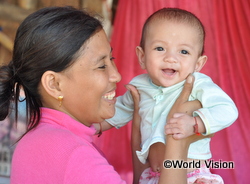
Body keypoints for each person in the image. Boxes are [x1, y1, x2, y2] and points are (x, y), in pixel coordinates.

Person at [0, 6, 207, 184]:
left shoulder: (37, 139)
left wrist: (139, 164)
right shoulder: (71, 152)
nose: (116, 75)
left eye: (112, 58)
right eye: (101, 66)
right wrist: (178, 141)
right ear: (54, 84)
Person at [97, 8, 238, 183]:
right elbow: (118, 110)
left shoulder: (198, 84)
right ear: (142, 56)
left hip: (193, 174)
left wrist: (196, 124)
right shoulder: (140, 85)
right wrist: (94, 127)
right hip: (153, 175)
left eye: (184, 52)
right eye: (160, 48)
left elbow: (227, 109)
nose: (171, 58)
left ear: (198, 63)